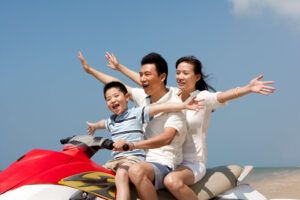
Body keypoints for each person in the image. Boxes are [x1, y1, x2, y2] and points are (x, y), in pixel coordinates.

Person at [102, 53, 275, 200]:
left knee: (172, 181)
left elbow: (223, 96)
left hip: (192, 162)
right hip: (170, 159)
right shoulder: (173, 95)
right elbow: (148, 81)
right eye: (178, 73)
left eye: (185, 73)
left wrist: (247, 88)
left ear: (197, 77)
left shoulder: (202, 98)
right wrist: (119, 68)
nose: (180, 77)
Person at [79, 52, 188, 200]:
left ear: (162, 77)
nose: (142, 79)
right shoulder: (142, 98)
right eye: (141, 75)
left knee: (132, 172)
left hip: (162, 162)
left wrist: (132, 145)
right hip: (139, 158)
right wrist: (91, 71)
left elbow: (166, 137)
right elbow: (117, 86)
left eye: (147, 75)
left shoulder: (172, 104)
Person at [86, 81, 203, 200]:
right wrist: (94, 126)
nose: (113, 100)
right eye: (108, 99)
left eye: (116, 96)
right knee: (93, 174)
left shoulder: (136, 113)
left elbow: (160, 107)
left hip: (132, 158)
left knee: (121, 174)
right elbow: (102, 123)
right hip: (116, 160)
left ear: (127, 97)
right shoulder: (111, 121)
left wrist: (183, 105)